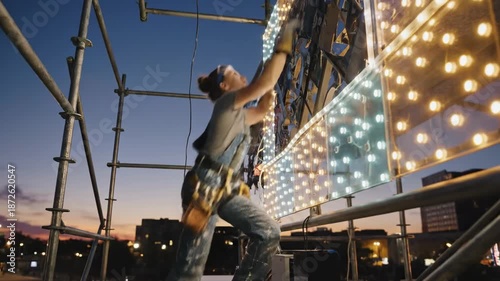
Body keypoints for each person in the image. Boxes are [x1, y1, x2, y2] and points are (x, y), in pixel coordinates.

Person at [166, 19, 300, 281]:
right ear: (225, 87)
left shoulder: (239, 116)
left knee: (268, 231)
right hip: (204, 187)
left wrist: (271, 89)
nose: (243, 77)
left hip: (227, 187)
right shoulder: (226, 103)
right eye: (236, 75)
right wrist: (283, 44)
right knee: (190, 266)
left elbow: (261, 109)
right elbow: (262, 84)